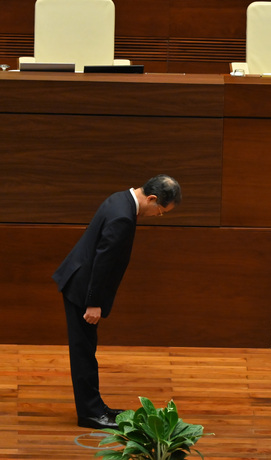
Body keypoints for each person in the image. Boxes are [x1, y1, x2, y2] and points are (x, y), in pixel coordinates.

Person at [53, 175, 182, 428]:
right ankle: (91, 414)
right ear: (152, 198)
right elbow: (103, 263)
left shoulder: (121, 198)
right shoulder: (123, 216)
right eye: (160, 211)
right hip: (83, 289)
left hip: (80, 281)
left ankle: (95, 407)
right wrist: (93, 303)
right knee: (84, 354)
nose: (158, 216)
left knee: (86, 351)